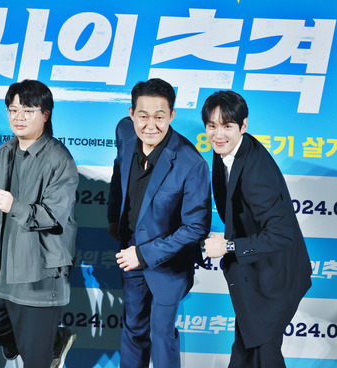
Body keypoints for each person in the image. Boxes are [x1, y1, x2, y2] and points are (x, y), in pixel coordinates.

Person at [202, 90, 312, 367]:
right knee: (245, 352)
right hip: (255, 273)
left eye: (227, 126)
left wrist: (228, 245)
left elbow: (281, 234)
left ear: (243, 126)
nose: (218, 134)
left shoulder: (255, 172)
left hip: (277, 278)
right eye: (212, 126)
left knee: (262, 353)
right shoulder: (225, 151)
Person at [107, 78, 211, 368]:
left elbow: (196, 228)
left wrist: (143, 254)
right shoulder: (125, 134)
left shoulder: (192, 163)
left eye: (159, 117)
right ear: (131, 114)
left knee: (160, 333)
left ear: (172, 116)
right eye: (143, 116)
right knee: (133, 328)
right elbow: (119, 174)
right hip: (130, 252)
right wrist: (114, 217)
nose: (149, 125)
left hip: (168, 264)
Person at [0, 79, 78, 368]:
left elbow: (53, 216)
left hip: (39, 272)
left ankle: (50, 345)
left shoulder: (59, 159)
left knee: (36, 361)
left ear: (45, 114)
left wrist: (14, 207)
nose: (18, 117)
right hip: (3, 268)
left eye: (28, 110)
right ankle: (53, 342)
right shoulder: (3, 153)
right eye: (12, 110)